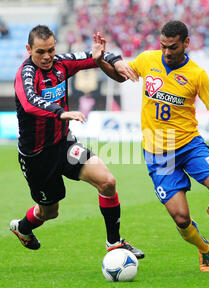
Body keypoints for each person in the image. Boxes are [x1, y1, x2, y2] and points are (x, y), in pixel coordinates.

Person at [120, 20, 209, 271]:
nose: (167, 52)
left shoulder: (197, 74)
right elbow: (120, 74)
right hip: (158, 154)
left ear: (186, 43)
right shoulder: (147, 60)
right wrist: (100, 60)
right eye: (163, 46)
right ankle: (204, 249)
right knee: (181, 218)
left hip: (189, 146)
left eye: (172, 47)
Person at [10, 25, 144, 259]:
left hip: (63, 144)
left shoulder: (61, 64)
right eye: (40, 51)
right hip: (37, 156)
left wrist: (117, 60)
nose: (47, 56)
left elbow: (93, 57)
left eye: (51, 50)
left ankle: (114, 243)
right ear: (28, 49)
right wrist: (59, 111)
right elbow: (30, 102)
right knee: (50, 212)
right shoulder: (25, 74)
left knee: (107, 182)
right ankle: (23, 228)